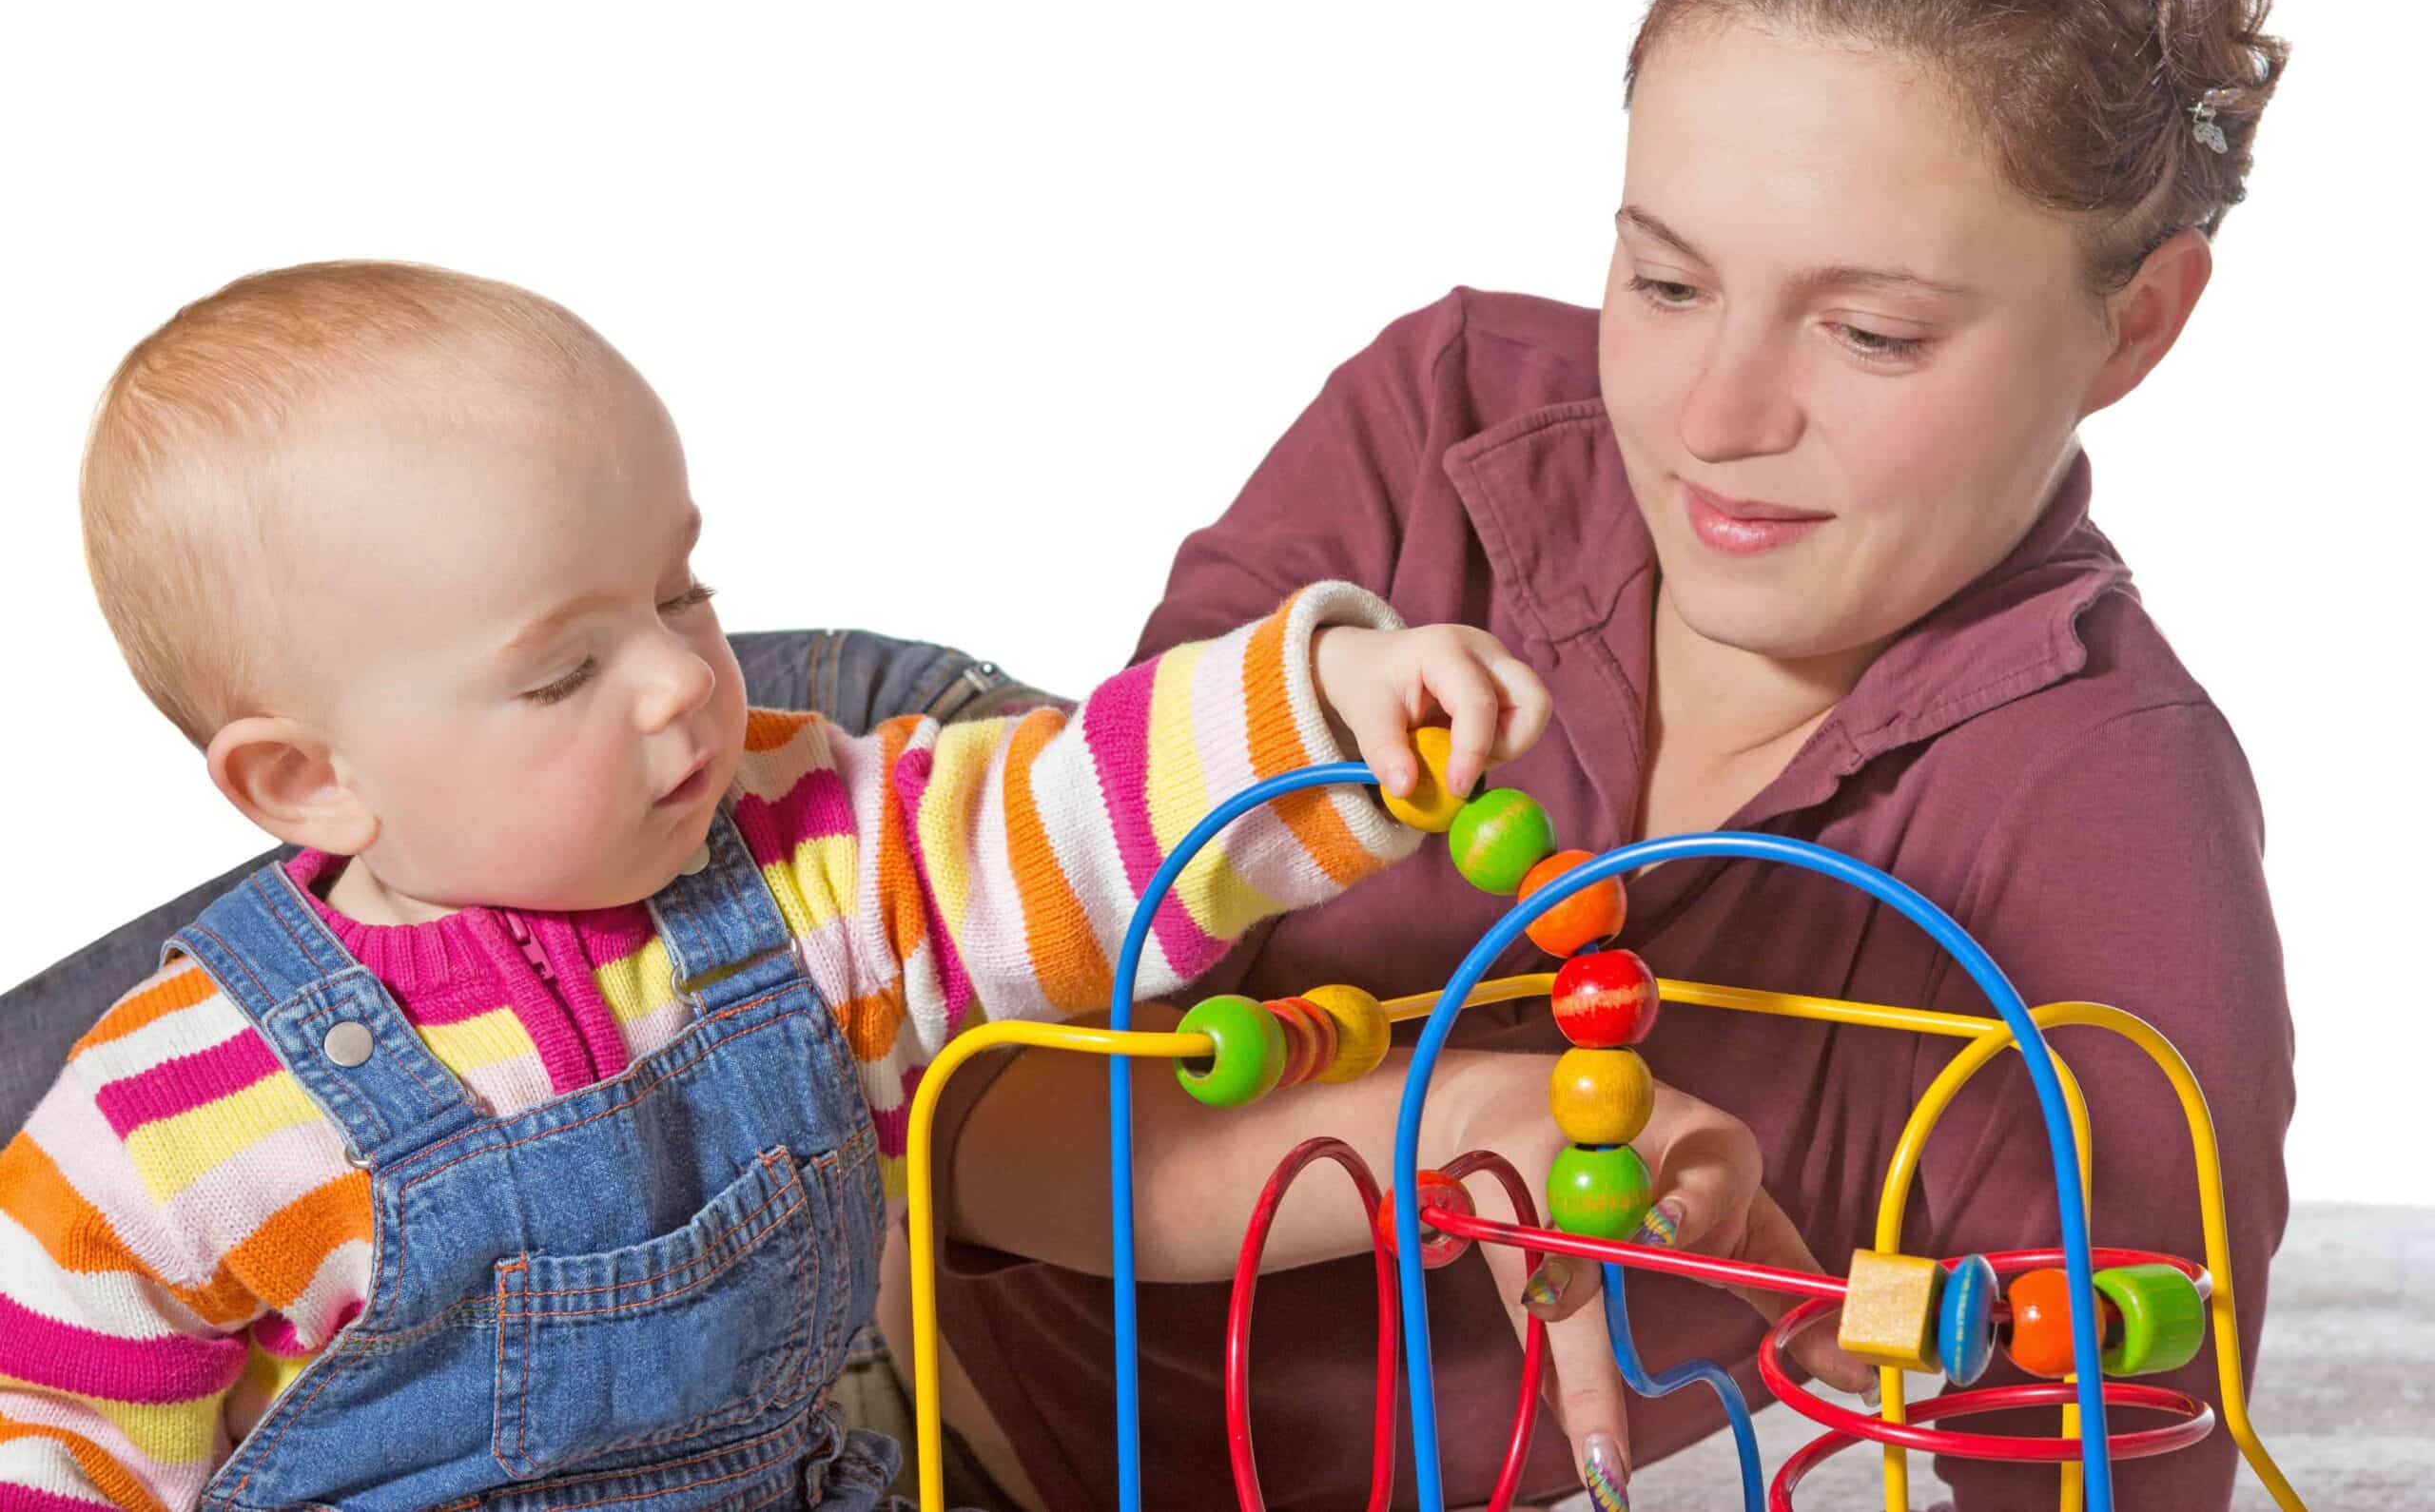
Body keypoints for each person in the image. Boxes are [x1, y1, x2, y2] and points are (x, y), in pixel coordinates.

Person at [915, 0, 2296, 1508]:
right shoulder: (1436, 430)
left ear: (2135, 325)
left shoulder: (2113, 824)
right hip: (828, 1247)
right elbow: (952, 1119)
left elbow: (2112, 1440)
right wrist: (1447, 1136)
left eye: (1872, 332)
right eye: (1665, 283)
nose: (1716, 419)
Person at [0, 260, 1556, 1510]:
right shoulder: (170, 1113)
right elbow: (54, 1433)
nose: (682, 678)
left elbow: (1058, 816)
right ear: (306, 783)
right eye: (565, 671)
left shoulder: (817, 869)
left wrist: (1318, 714)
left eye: (680, 589)